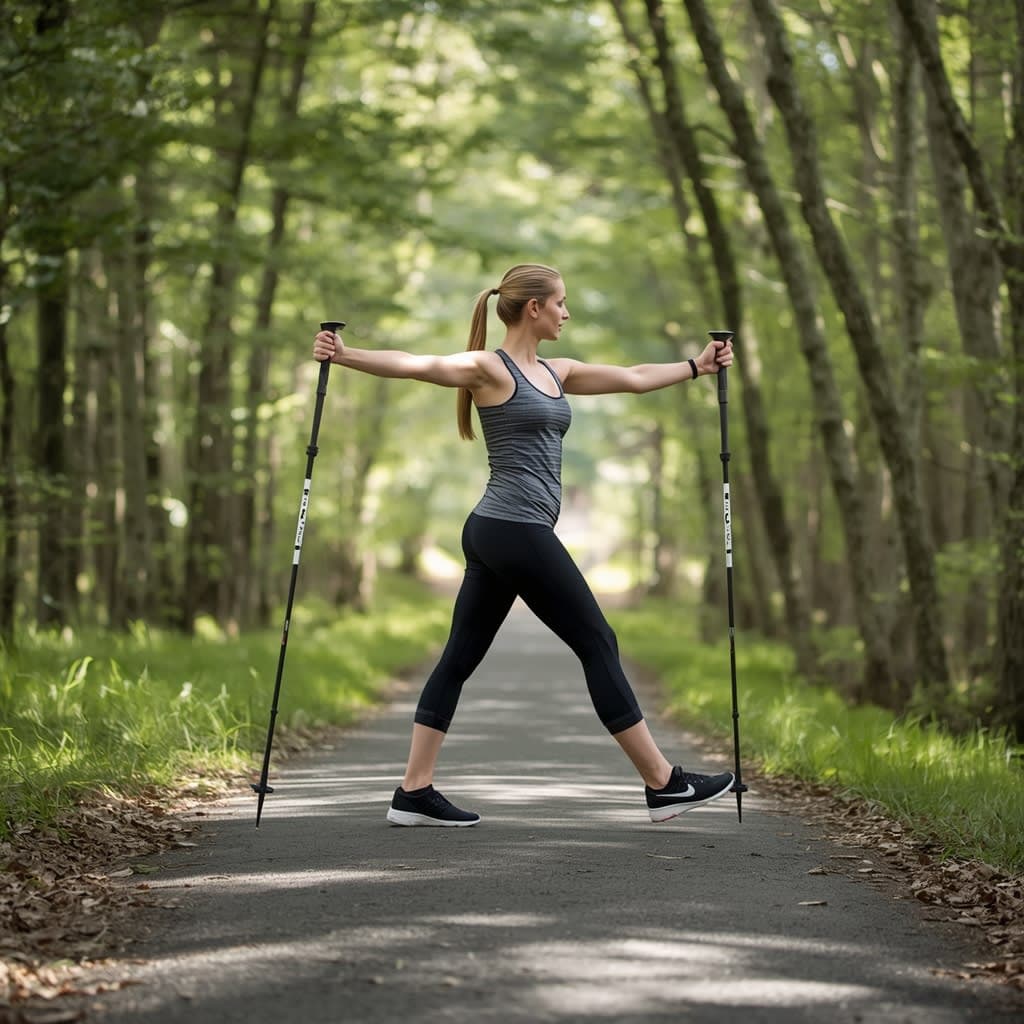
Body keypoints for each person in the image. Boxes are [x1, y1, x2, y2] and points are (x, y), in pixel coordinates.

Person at [312, 263, 736, 828]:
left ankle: (413, 792)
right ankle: (663, 783)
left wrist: (694, 367)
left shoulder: (558, 372)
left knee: (459, 659)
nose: (567, 312)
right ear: (533, 308)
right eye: (561, 303)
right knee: (597, 639)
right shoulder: (489, 367)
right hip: (513, 529)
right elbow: (418, 366)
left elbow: (633, 376)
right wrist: (345, 355)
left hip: (498, 530)